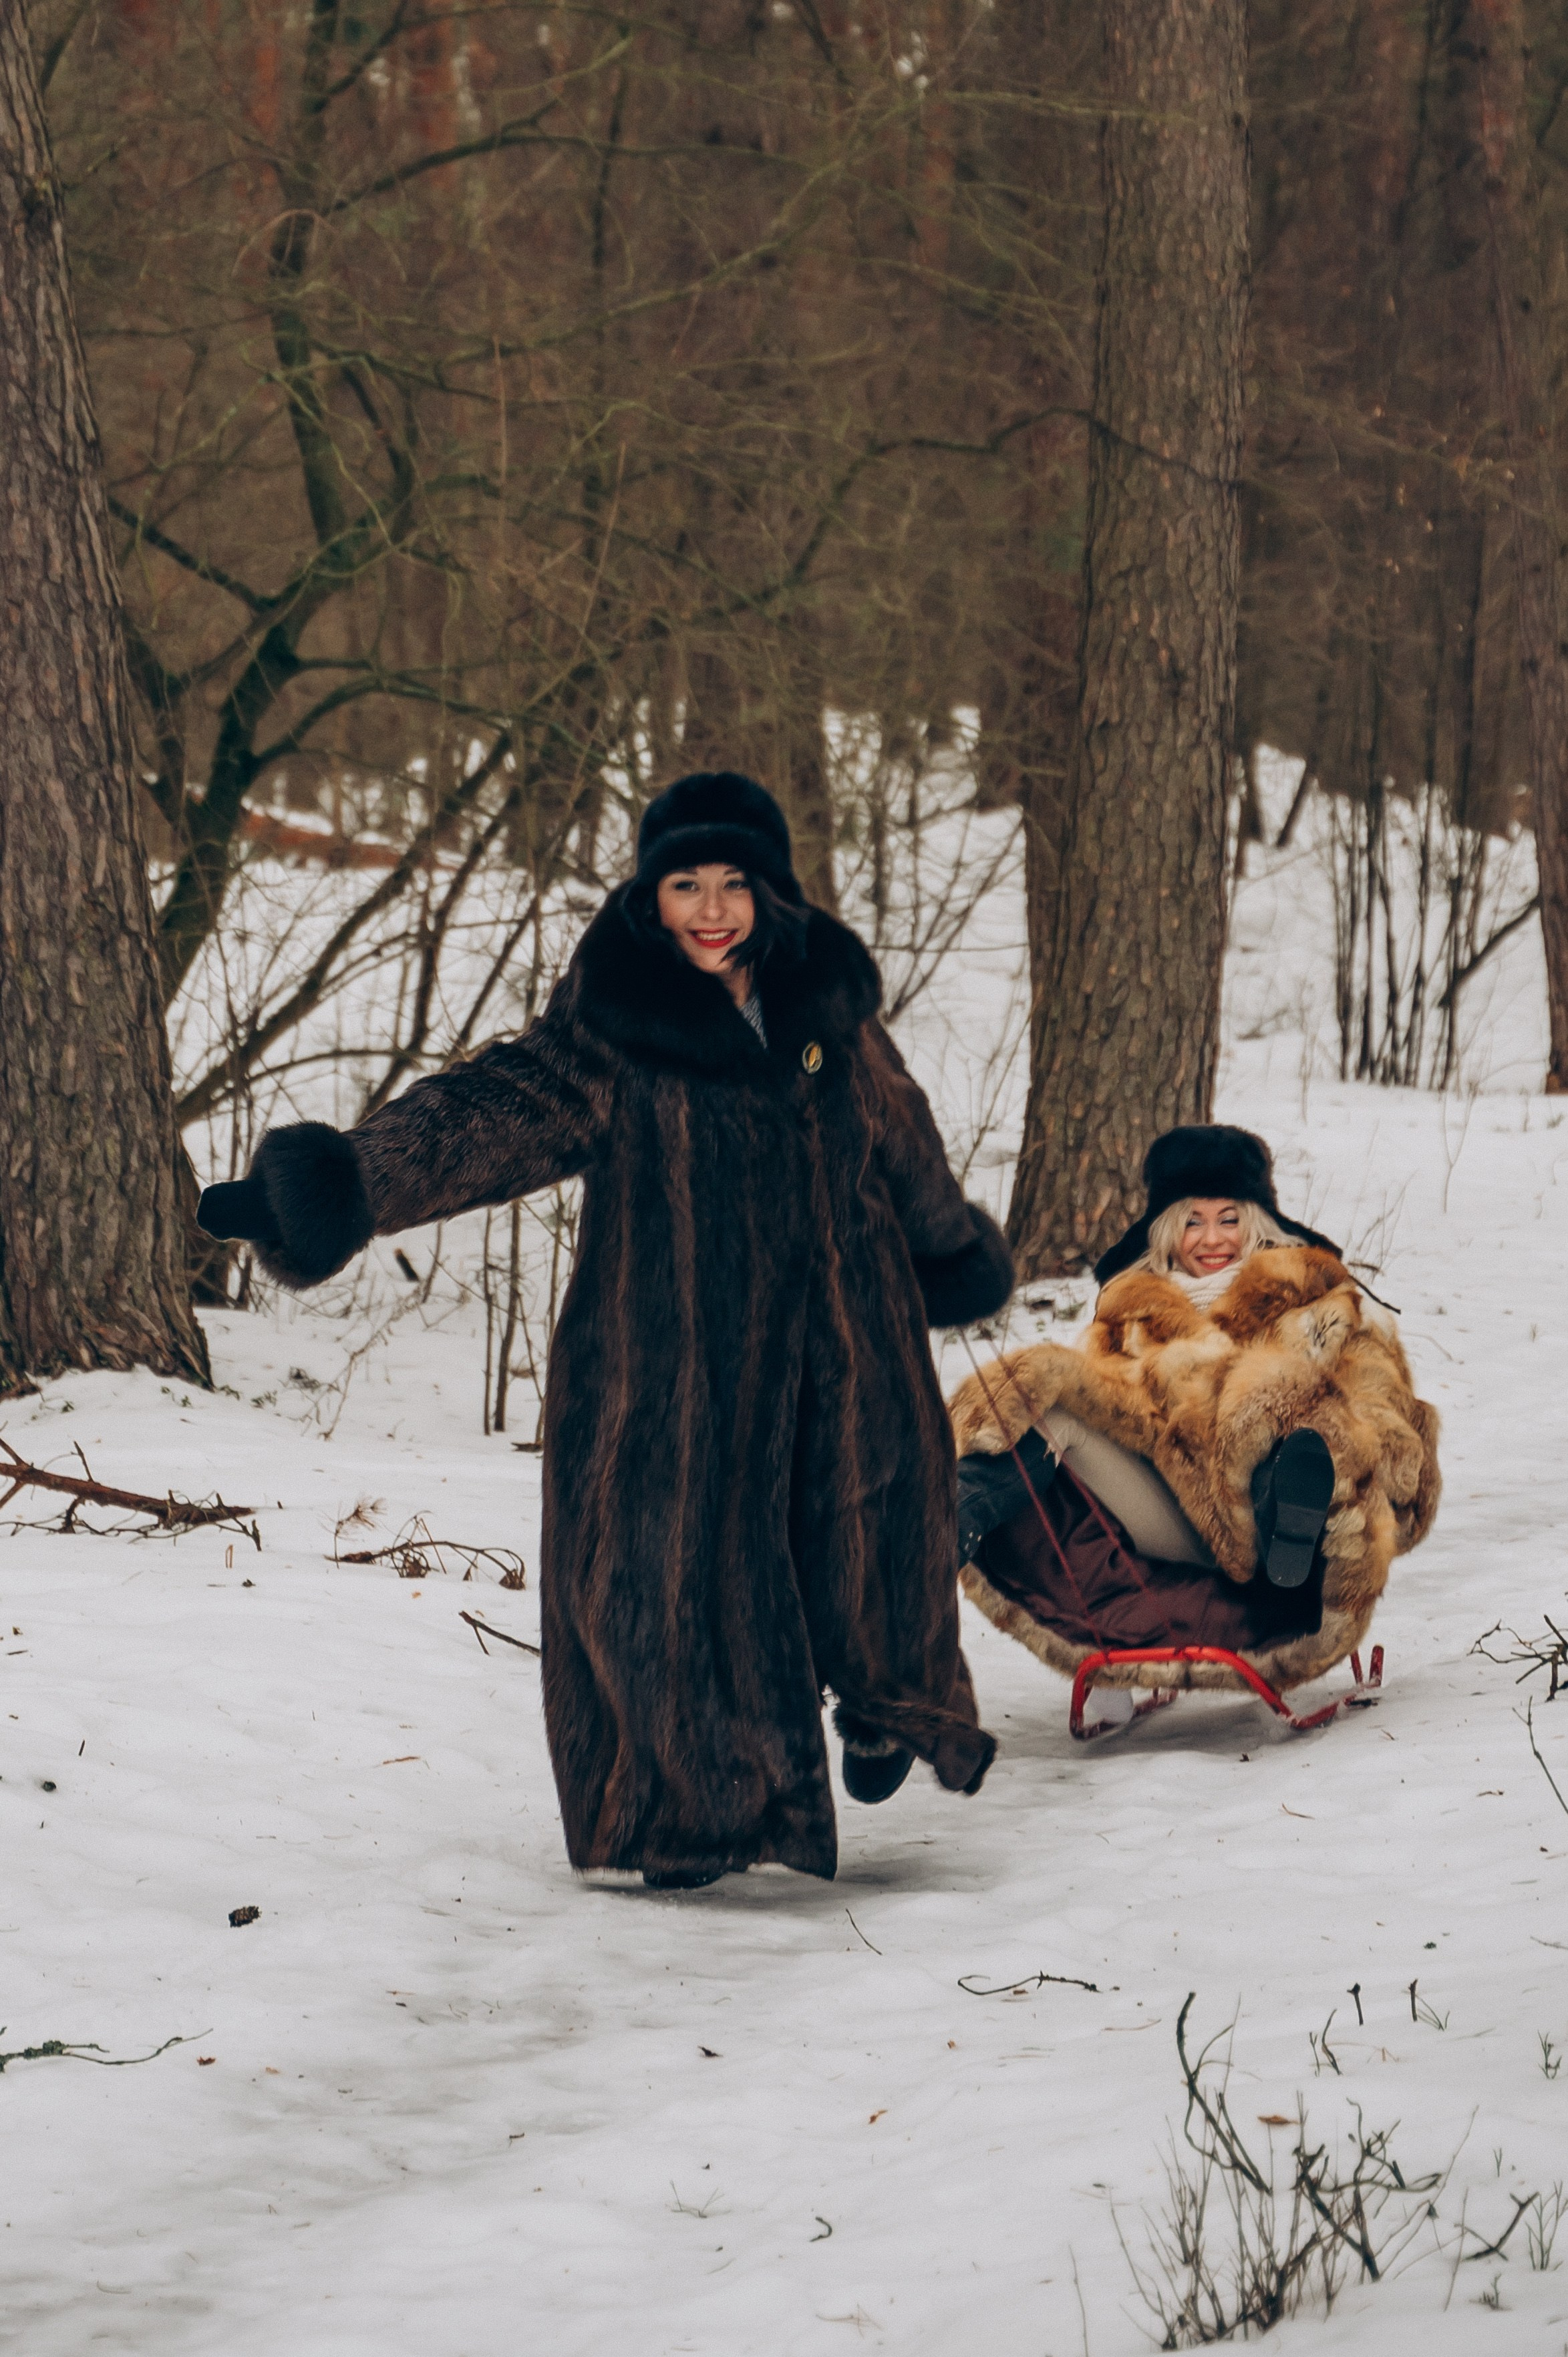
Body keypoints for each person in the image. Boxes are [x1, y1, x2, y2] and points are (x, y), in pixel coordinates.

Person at [199, 772, 1013, 1889]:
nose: (712, 906)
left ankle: (887, 1711)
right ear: (652, 894)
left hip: (850, 1325)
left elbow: (904, 1131)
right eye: (686, 882)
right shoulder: (615, 1032)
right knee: (665, 1573)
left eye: (735, 882)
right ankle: (686, 1812)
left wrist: (945, 1245)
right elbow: (481, 1118)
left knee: (879, 1524)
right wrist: (342, 1186)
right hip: (676, 1350)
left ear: (771, 890)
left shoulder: (826, 999)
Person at [949, 1124, 1440, 1699]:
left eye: (1228, 1218)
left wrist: (1379, 1472)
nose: (1212, 1239)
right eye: (1192, 1220)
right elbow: (1112, 1408)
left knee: (1279, 1398)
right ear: (1167, 1228)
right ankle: (944, 1523)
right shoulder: (1131, 1314)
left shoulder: (1323, 1305)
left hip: (1290, 1540)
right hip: (1178, 1515)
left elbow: (1380, 1404)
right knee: (1051, 1393)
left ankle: (1286, 1508)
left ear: (1255, 1222)